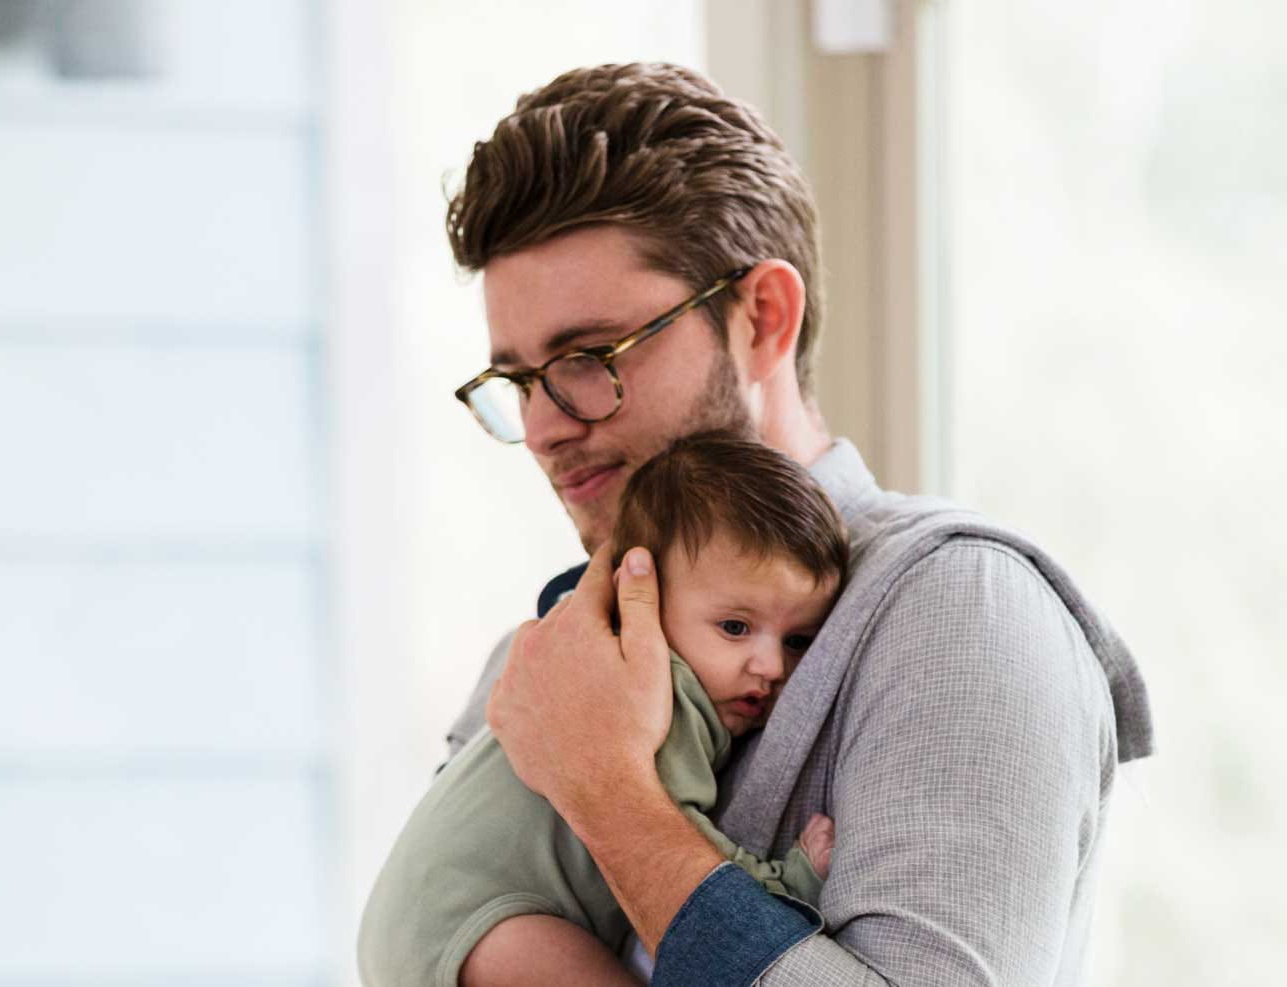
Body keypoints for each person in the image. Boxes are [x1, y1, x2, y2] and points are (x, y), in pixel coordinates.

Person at [424, 62, 1154, 984]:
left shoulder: (961, 613)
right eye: (519, 380)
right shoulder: (534, 665)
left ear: (762, 320)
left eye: (587, 356)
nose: (541, 425)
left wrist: (608, 795)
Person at [358, 431, 846, 987]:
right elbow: (676, 840)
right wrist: (786, 883)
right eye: (735, 627)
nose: (771, 666)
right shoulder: (656, 688)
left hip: (422, 916)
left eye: (798, 641)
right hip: (482, 923)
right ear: (644, 597)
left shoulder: (590, 660)